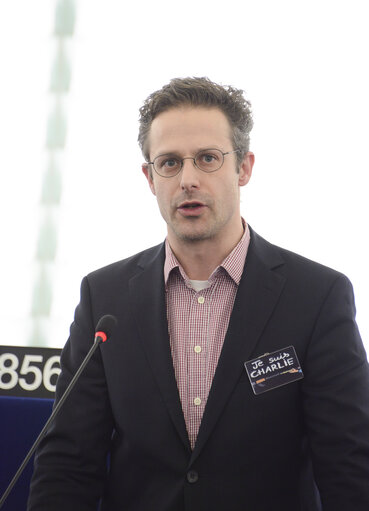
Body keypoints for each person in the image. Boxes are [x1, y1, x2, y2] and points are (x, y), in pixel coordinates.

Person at [28, 77, 369, 511]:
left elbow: (349, 467)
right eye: (169, 163)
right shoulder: (104, 297)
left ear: (243, 167)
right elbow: (68, 463)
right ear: (150, 178)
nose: (188, 179)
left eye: (208, 158)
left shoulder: (318, 296)